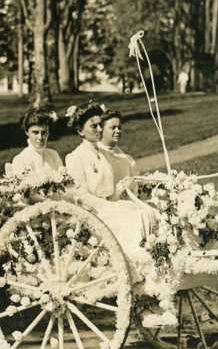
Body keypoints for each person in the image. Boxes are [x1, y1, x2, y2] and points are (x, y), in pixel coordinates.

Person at [65, 101, 155, 257]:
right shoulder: (75, 157)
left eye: (100, 125)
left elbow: (110, 192)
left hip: (108, 208)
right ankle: (134, 261)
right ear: (80, 130)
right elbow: (82, 197)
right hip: (93, 215)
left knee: (147, 212)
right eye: (94, 126)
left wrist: (119, 191)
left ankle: (149, 258)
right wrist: (109, 206)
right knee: (136, 216)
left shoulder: (105, 155)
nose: (100, 129)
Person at [7, 107, 63, 177]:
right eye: (35, 132)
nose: (40, 137)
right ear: (27, 132)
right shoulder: (20, 160)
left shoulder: (53, 155)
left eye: (44, 132)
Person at [97, 109, 138, 199]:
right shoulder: (97, 156)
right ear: (101, 130)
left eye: (119, 128)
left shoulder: (127, 159)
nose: (118, 131)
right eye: (113, 127)